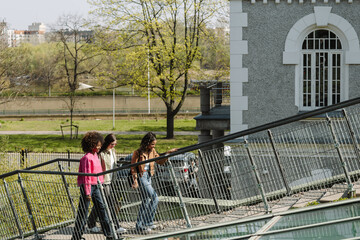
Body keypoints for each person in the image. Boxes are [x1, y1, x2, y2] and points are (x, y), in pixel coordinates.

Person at [131, 132, 177, 233]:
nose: (153, 146)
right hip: (142, 176)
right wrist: (135, 180)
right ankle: (148, 222)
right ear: (146, 143)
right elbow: (133, 167)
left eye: (154, 144)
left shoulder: (153, 151)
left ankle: (139, 225)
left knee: (146, 200)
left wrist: (168, 153)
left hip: (149, 176)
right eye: (152, 144)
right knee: (154, 197)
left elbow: (159, 161)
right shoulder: (138, 152)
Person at [71, 131, 112, 240]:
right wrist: (87, 192)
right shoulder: (87, 158)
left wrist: (101, 184)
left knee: (102, 208)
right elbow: (87, 176)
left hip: (96, 186)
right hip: (88, 187)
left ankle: (109, 234)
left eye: (100, 145)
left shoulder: (95, 155)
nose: (99, 147)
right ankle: (76, 236)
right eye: (98, 145)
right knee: (83, 212)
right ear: (91, 145)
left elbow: (98, 172)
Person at [87, 134, 127, 234]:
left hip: (111, 180)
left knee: (99, 204)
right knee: (109, 203)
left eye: (115, 144)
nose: (114, 146)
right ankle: (115, 225)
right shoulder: (101, 154)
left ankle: (91, 223)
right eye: (112, 144)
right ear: (108, 143)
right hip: (103, 181)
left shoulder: (113, 151)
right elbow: (98, 168)